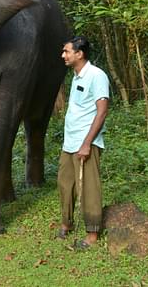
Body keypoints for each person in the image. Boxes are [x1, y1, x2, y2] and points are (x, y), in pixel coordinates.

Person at [57, 36, 109, 250]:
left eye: (67, 51)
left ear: (80, 53)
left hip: (86, 142)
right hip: (70, 141)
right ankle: (66, 223)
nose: (63, 55)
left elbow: (102, 110)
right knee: (65, 183)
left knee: (88, 187)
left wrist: (87, 143)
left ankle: (92, 232)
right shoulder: (77, 77)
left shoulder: (96, 76)